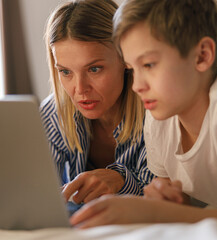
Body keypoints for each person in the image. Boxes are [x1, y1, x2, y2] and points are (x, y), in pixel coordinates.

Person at [70, 0, 217, 228]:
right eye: (133, 69)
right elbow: (184, 205)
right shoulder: (158, 119)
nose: (136, 86)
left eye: (149, 65)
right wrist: (169, 200)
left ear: (202, 56)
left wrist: (153, 212)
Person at [40, 0, 154, 205]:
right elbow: (39, 194)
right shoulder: (53, 114)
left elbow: (163, 197)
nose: (80, 89)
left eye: (94, 69)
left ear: (124, 58)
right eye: (65, 72)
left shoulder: (155, 109)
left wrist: (121, 180)